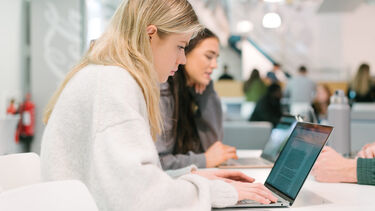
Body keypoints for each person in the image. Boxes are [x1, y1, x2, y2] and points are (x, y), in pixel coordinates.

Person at [40, 0, 277, 210]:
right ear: (150, 35)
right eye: (181, 46)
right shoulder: (114, 83)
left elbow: (128, 184)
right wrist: (216, 191)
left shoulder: (106, 75)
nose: (182, 59)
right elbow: (141, 199)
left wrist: (195, 175)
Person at [156, 28, 237, 170]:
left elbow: (212, 144)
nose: (214, 65)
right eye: (209, 56)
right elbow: (159, 163)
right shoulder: (163, 90)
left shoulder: (189, 92)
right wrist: (204, 160)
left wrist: (207, 93)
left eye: (216, 58)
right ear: (185, 53)